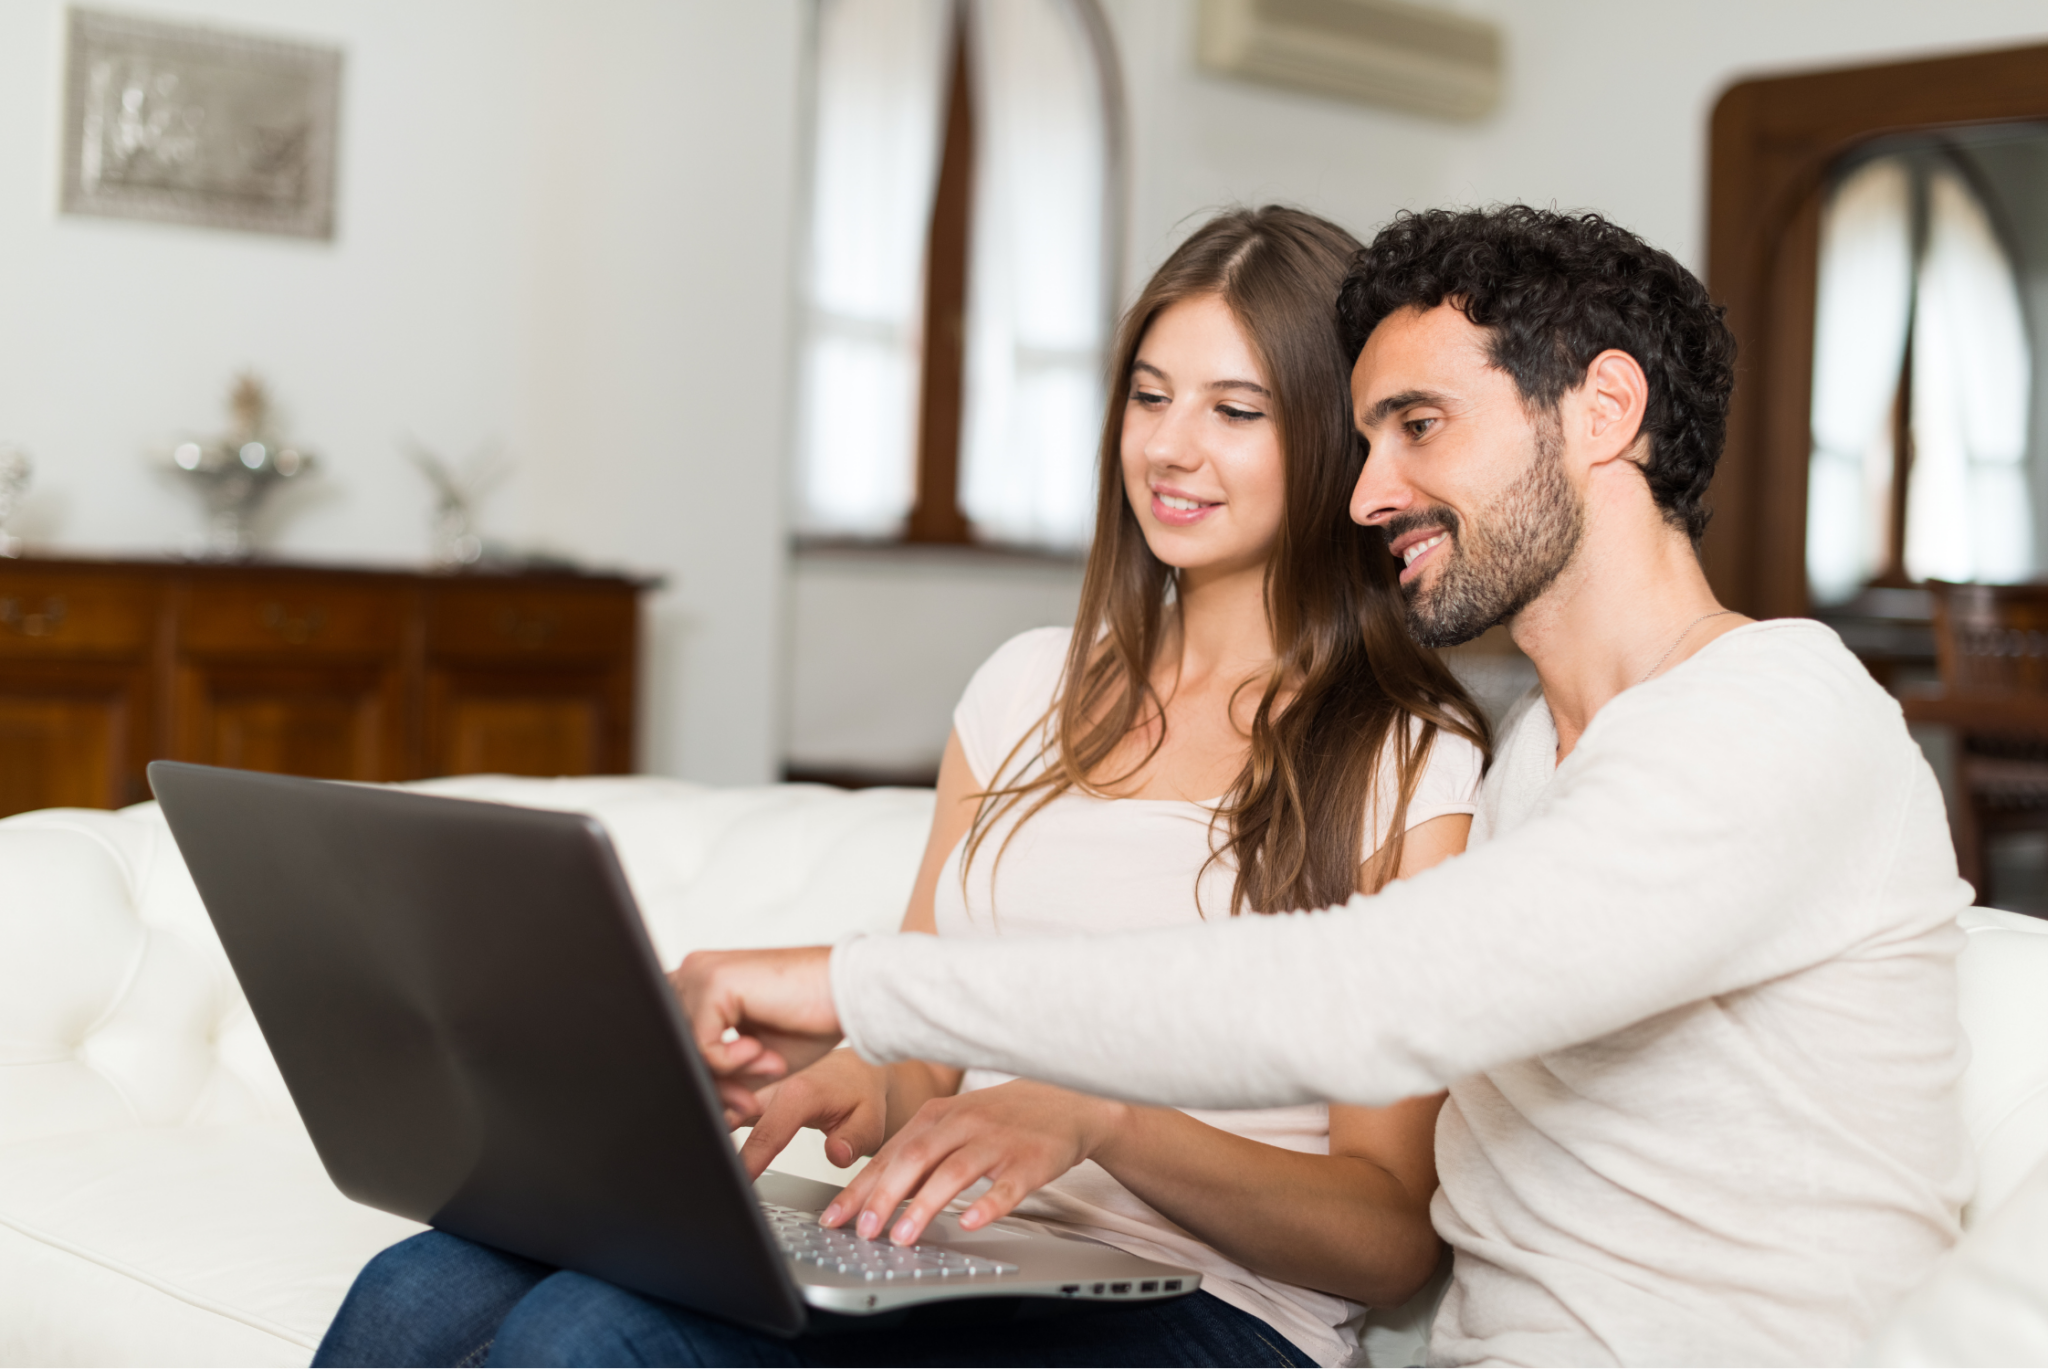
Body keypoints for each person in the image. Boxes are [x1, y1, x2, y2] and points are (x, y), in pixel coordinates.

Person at [679, 206, 1977, 1369]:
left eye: (1417, 427)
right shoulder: (1538, 758)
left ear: (1603, 412)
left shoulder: (1780, 718)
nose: (1364, 495)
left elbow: (1370, 991)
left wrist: (863, 988)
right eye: (1360, 441)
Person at [312, 206, 1493, 1369]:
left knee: (594, 1336)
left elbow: (1388, 1234)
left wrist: (1102, 1116)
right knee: (419, 1283)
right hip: (970, 1248)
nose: (1169, 447)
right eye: (1147, 395)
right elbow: (928, 1050)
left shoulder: (1404, 757)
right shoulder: (1023, 687)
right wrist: (827, 1082)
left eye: (1234, 410)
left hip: (1212, 1309)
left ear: (1340, 441)